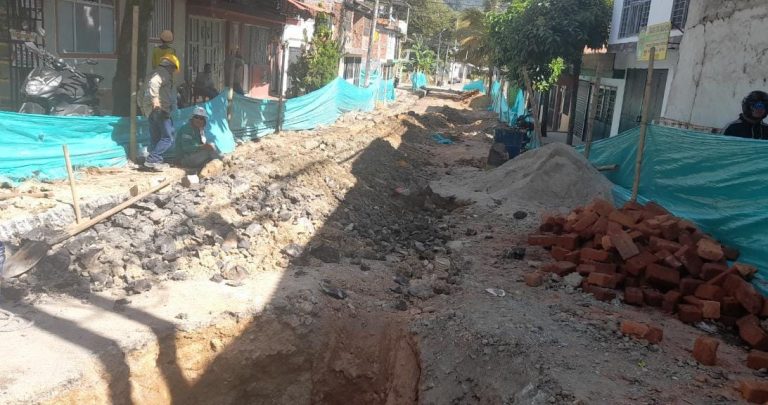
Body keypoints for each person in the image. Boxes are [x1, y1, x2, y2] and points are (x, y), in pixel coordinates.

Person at [141, 54, 180, 170]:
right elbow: (154, 83)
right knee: (168, 137)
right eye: (173, 69)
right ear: (170, 66)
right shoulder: (162, 74)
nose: (173, 72)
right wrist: (156, 101)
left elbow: (141, 92)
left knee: (156, 138)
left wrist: (143, 107)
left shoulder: (150, 74)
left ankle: (153, 163)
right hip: (160, 110)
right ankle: (153, 158)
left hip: (150, 111)